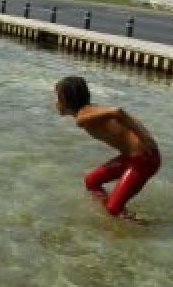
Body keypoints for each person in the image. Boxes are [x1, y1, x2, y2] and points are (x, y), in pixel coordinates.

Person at [54, 76, 161, 219]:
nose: (55, 102)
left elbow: (117, 112)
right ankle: (118, 211)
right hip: (133, 157)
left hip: (145, 159)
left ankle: (136, 221)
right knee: (92, 181)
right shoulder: (88, 111)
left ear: (65, 99)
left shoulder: (82, 118)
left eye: (57, 97)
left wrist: (144, 138)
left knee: (113, 209)